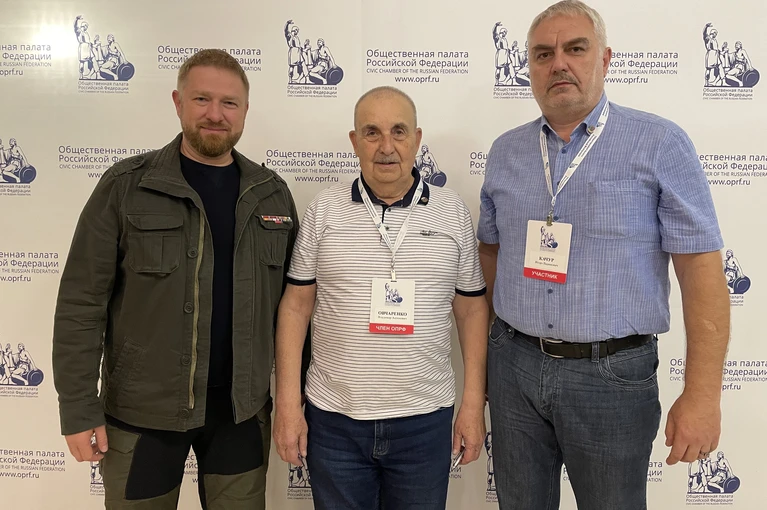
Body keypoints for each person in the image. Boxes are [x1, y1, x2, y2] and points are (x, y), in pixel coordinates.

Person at [477, 2, 730, 509]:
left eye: (575, 48)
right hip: (514, 369)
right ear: (529, 66)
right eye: (543, 54)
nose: (559, 63)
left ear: (605, 58)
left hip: (611, 377)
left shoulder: (659, 143)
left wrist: (703, 395)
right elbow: (490, 250)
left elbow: (701, 272)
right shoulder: (506, 151)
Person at [52, 49, 303, 510]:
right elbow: (81, 303)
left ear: (245, 110)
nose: (215, 114)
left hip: (240, 414)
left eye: (229, 103)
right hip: (142, 415)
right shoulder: (127, 186)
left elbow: (297, 310)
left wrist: (298, 402)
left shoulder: (271, 194)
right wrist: (78, 406)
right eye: (202, 99)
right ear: (177, 102)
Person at [273, 85, 489, 510]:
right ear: (354, 141)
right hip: (335, 421)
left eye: (399, 131)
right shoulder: (324, 210)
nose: (386, 146)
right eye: (372, 132)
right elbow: (296, 307)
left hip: (424, 422)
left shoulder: (452, 212)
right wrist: (287, 405)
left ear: (417, 139)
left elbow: (471, 309)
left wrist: (472, 404)